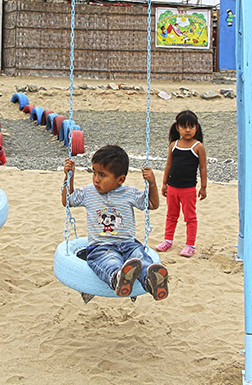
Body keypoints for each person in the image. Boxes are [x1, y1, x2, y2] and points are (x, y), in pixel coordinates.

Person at [62, 145, 169, 300]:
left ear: (120, 180)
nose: (96, 179)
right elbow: (68, 201)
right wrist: (69, 177)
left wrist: (151, 183)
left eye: (102, 175)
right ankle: (118, 278)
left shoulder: (129, 193)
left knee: (140, 257)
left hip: (128, 244)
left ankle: (152, 281)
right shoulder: (88, 192)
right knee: (109, 261)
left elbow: (152, 204)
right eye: (94, 172)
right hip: (101, 246)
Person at [155, 110, 207, 258]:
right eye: (184, 126)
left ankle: (190, 244)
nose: (188, 130)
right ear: (177, 128)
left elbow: (203, 168)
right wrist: (164, 183)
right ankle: (168, 240)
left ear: (196, 127)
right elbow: (168, 165)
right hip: (172, 187)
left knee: (190, 217)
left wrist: (203, 187)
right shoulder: (174, 145)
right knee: (171, 215)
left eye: (191, 126)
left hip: (189, 189)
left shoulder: (198, 146)